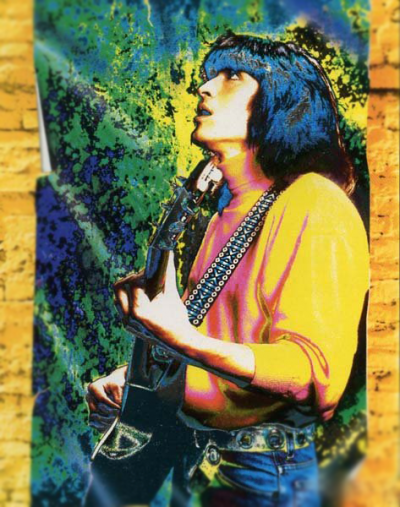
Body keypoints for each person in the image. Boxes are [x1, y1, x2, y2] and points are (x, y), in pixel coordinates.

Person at [86, 33, 369, 506]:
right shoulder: (224, 212)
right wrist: (134, 385)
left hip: (260, 473)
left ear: (282, 102)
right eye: (209, 75)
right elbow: (216, 351)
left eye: (232, 76)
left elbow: (312, 374)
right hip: (199, 463)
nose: (205, 88)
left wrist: (182, 339)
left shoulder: (315, 203)